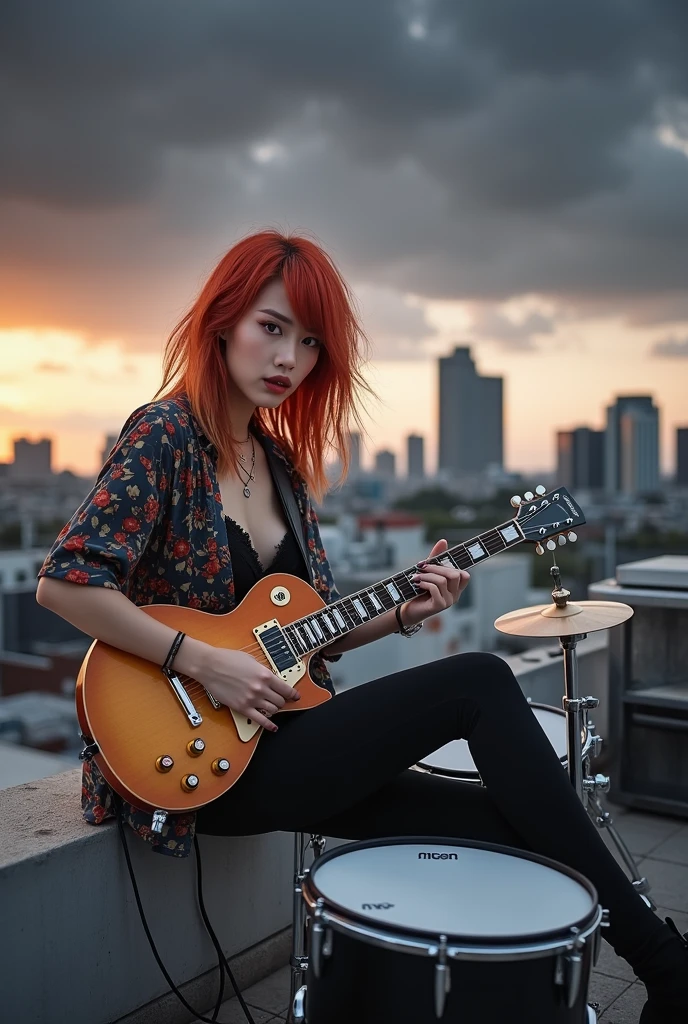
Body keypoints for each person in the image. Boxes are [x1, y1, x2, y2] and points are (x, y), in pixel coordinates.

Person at [37, 230, 686, 1022]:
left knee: (512, 818)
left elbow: (315, 634)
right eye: (272, 328)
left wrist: (407, 614)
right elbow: (67, 584)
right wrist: (202, 660)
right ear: (223, 320)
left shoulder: (279, 465)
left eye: (309, 343)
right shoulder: (165, 435)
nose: (290, 358)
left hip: (290, 742)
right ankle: (667, 965)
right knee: (479, 679)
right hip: (202, 762)